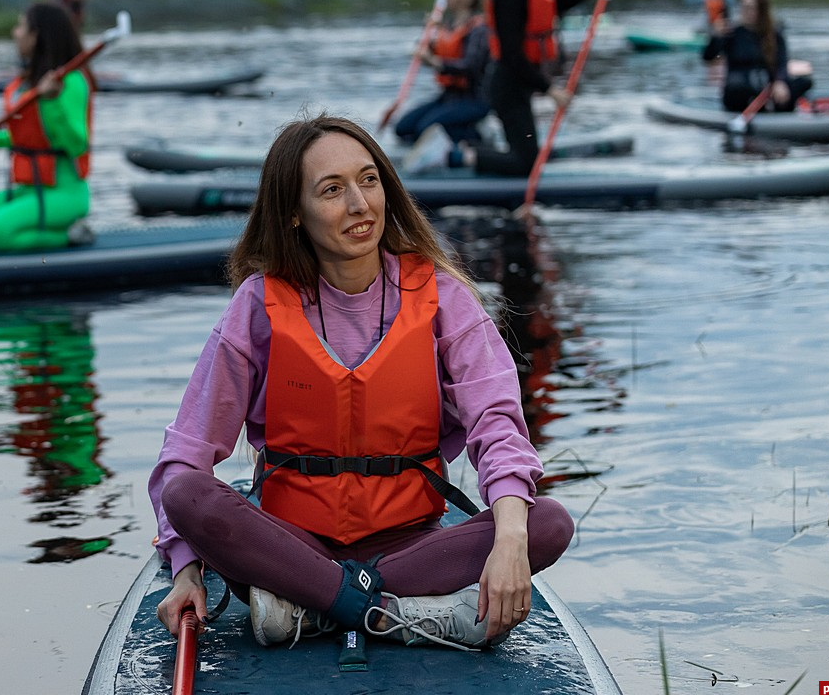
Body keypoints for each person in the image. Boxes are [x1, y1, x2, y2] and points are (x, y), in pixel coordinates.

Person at [149, 114, 575, 651]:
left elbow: (498, 425)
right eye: (332, 190)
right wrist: (187, 570)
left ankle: (318, 609)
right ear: (294, 214)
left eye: (368, 180)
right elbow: (185, 456)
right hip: (291, 546)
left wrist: (511, 537)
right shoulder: (257, 305)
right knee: (188, 494)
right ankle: (386, 613)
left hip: (412, 550)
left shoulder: (444, 297)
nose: (359, 205)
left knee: (548, 522)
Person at [462, 0, 621, 177]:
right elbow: (512, 55)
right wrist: (551, 90)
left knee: (526, 156)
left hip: (523, 82)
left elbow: (559, 0)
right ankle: (458, 155)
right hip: (507, 83)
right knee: (526, 164)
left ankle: (472, 152)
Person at [0, 2, 93, 252]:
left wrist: (53, 102)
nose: (15, 33)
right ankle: (30, 227)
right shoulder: (25, 84)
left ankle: (70, 235)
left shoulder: (71, 83)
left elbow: (76, 144)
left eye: (21, 26)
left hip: (66, 194)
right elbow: (28, 136)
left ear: (36, 36)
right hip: (28, 190)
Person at [393, 0, 491, 151]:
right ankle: (458, 132)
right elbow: (430, 51)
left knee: (425, 129)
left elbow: (469, 66)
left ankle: (476, 139)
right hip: (448, 96)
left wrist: (435, 62)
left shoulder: (479, 29)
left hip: (474, 98)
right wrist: (427, 34)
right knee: (403, 129)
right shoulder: (446, 27)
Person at [702, 0, 813, 113]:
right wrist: (716, 37)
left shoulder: (774, 35)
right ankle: (764, 106)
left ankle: (776, 105)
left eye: (750, 8)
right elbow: (708, 57)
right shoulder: (731, 34)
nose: (744, 11)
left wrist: (780, 82)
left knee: (804, 82)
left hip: (767, 88)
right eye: (743, 6)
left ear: (760, 10)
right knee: (738, 87)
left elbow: (782, 63)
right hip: (740, 87)